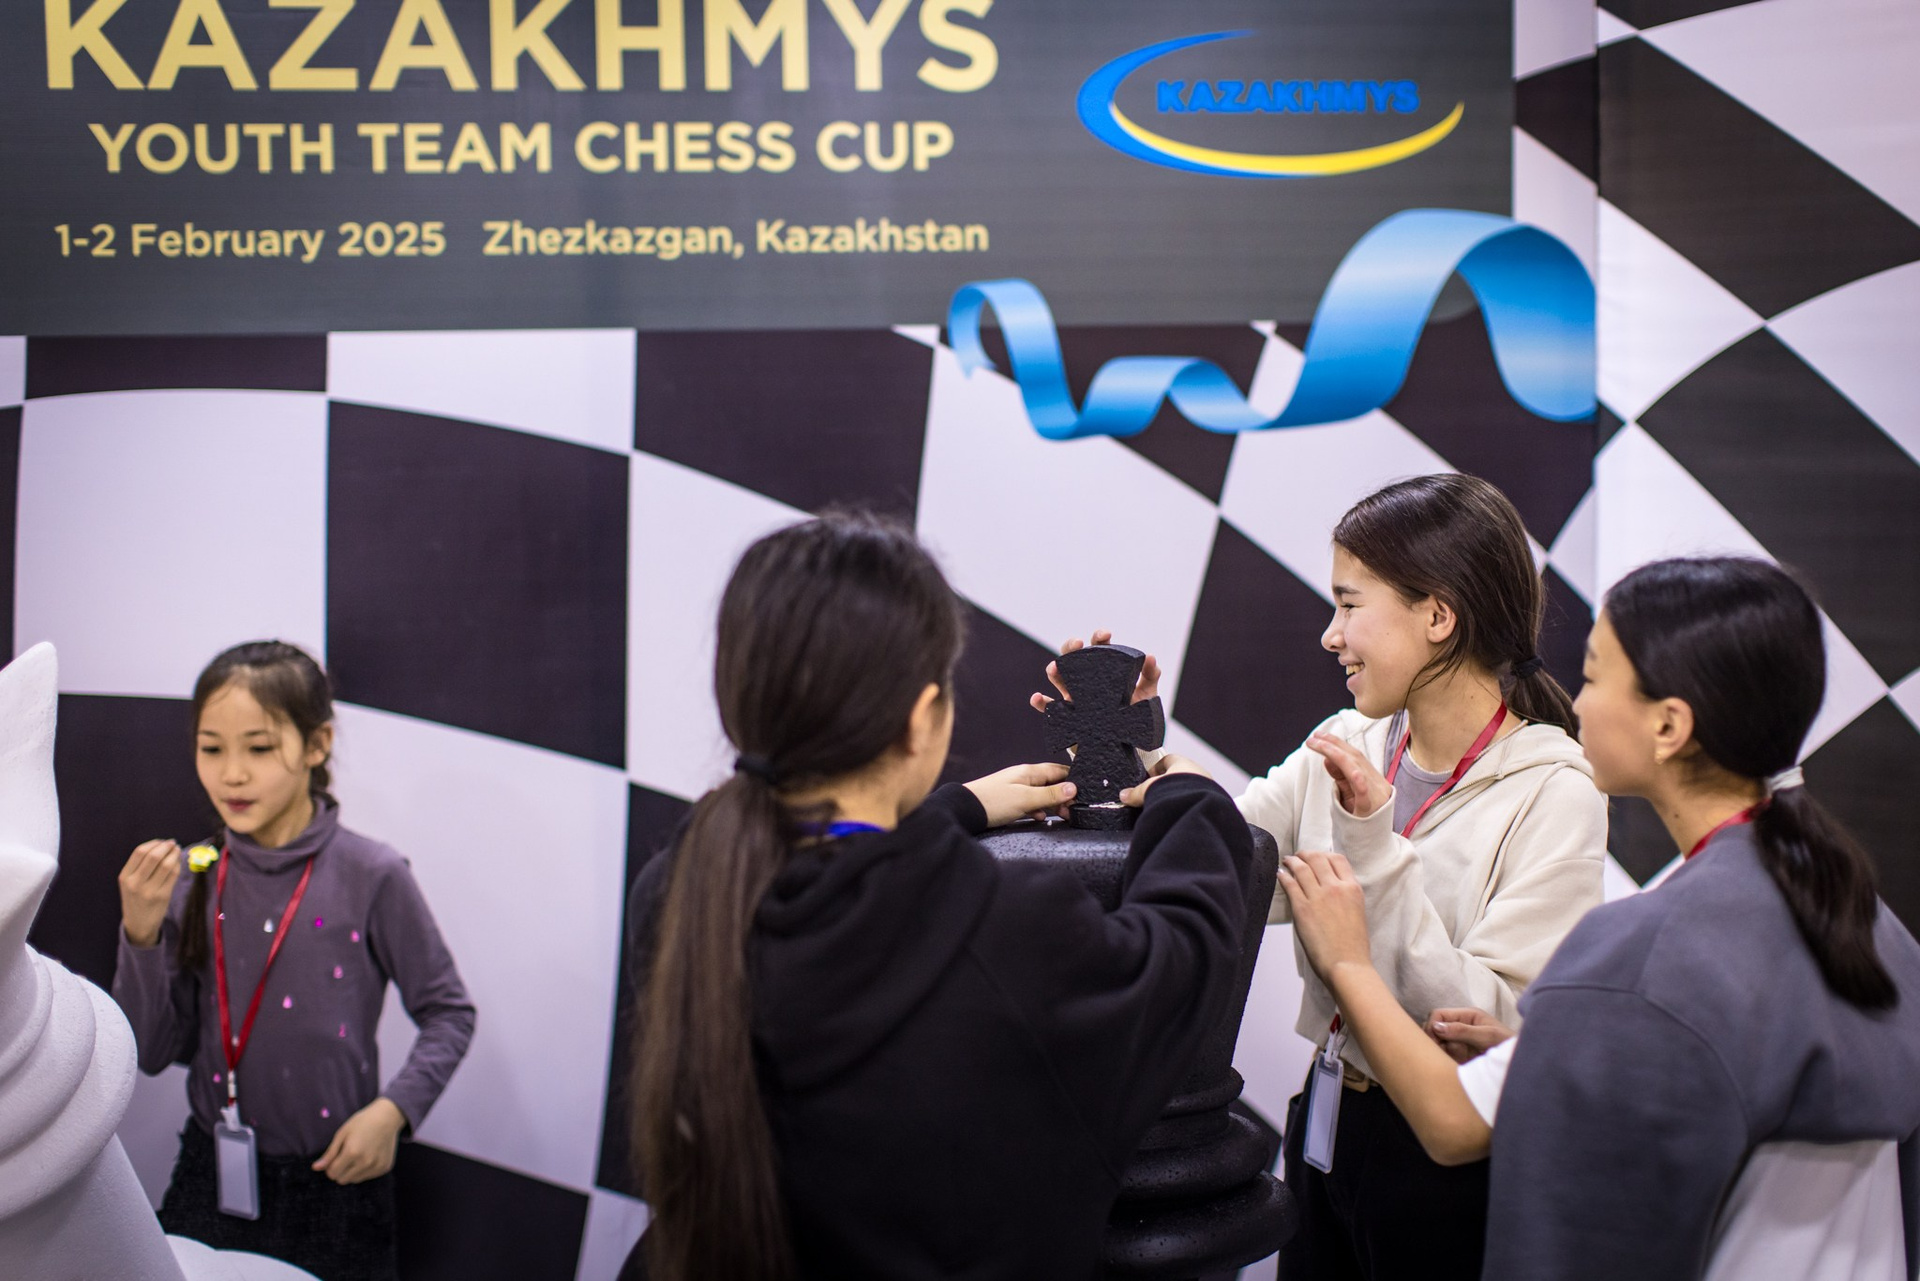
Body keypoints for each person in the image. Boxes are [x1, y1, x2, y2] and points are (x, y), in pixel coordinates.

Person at [618, 511, 1256, 1281]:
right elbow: (1180, 958)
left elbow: (844, 873)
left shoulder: (682, 887)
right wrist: (1191, 798)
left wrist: (955, 807)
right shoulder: (1003, 929)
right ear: (921, 719)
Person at [1279, 556, 1920, 1280]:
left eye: (1592, 677)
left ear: (1669, 725)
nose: (1576, 704)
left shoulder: (1644, 957)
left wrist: (1348, 959)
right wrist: (1560, 1050)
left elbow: (1453, 1123)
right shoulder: (1853, 909)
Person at [1037, 473, 1607, 1280]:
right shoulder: (1345, 741)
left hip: (1444, 1153)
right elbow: (1220, 873)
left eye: (1348, 604)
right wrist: (1127, 752)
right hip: (1327, 1121)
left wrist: (1370, 853)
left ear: (1438, 616)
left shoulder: (1554, 792)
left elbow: (1481, 1026)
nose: (1329, 635)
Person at [113, 641, 475, 1281]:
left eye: (259, 748)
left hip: (337, 1182)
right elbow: (150, 1051)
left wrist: (393, 1112)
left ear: (317, 745)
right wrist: (140, 935)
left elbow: (449, 1013)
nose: (232, 775)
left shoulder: (373, 873)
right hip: (210, 1173)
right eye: (211, 748)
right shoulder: (195, 874)